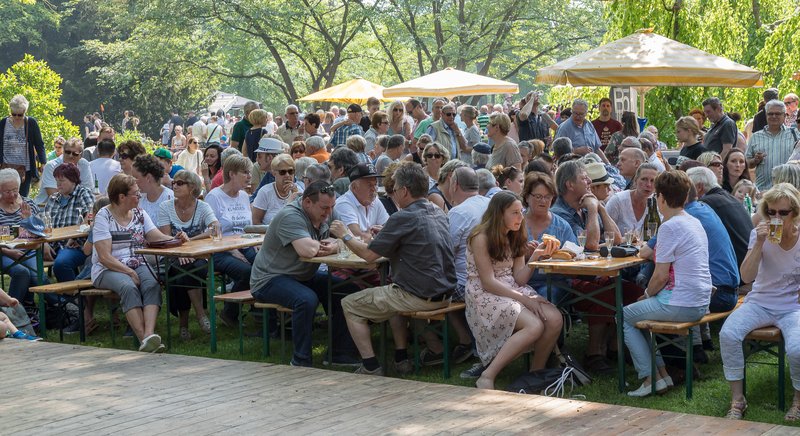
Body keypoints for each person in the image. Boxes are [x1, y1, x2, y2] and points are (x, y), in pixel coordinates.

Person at [332, 162, 456, 376]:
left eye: (395, 188)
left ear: (405, 191)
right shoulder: (436, 211)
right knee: (393, 290)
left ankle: (371, 365)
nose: (393, 192)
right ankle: (413, 355)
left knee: (349, 304)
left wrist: (344, 234)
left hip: (419, 294)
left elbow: (370, 257)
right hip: (445, 292)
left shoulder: (404, 216)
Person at [622, 170, 711, 397]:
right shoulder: (693, 221)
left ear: (661, 198)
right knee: (639, 316)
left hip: (682, 303)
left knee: (623, 316)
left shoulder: (669, 227)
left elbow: (660, 276)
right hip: (699, 301)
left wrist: (647, 294)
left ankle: (650, 378)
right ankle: (661, 375)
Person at [250, 181, 359, 367]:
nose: (329, 212)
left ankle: (338, 354)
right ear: (307, 202)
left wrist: (336, 244)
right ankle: (301, 360)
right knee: (306, 299)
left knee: (347, 291)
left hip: (301, 276)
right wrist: (335, 245)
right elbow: (307, 250)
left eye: (332, 207)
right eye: (324, 208)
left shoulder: (326, 209)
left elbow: (347, 237)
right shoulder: (290, 216)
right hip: (269, 278)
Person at [465, 191, 562, 389]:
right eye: (515, 213)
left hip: (510, 287)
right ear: (499, 214)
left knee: (554, 318)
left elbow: (519, 278)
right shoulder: (480, 237)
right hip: (484, 293)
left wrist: (535, 257)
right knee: (534, 325)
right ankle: (487, 375)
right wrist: (525, 300)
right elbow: (488, 282)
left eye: (521, 212)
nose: (520, 217)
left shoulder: (516, 234)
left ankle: (535, 374)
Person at [720, 183, 800, 421]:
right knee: (728, 334)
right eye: (771, 212)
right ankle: (738, 400)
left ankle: (797, 401)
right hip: (760, 302)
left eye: (782, 213)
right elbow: (746, 277)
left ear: (794, 213)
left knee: (797, 348)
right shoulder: (759, 235)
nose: (776, 217)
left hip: (793, 306)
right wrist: (758, 244)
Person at [92, 174, 183, 353]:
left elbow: (154, 234)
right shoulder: (104, 217)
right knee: (128, 287)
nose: (139, 196)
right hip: (107, 268)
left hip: (136, 262)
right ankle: (144, 339)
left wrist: (176, 239)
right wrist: (129, 272)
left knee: (152, 284)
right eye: (135, 193)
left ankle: (150, 335)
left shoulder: (139, 213)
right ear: (121, 197)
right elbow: (103, 256)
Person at [158, 170, 217, 340]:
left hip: (196, 255)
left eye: (180, 183)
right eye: (174, 182)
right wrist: (180, 249)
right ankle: (201, 315)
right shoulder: (166, 207)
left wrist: (189, 240)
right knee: (181, 269)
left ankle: (184, 324)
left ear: (192, 187)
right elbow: (165, 236)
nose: (174, 185)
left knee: (184, 273)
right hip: (172, 255)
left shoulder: (202, 206)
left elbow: (215, 228)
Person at [204, 154, 258, 327]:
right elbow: (212, 232)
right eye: (245, 172)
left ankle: (260, 310)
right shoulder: (214, 197)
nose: (249, 176)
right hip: (220, 249)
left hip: (244, 244)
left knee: (265, 265)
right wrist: (231, 250)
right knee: (246, 272)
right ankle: (229, 313)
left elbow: (248, 227)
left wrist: (256, 243)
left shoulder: (243, 196)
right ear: (232, 174)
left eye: (249, 172)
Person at [522, 172, 576, 299]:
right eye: (538, 196)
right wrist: (524, 255)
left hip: (552, 283)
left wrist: (554, 257)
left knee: (545, 295)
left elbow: (575, 258)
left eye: (548, 197)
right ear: (527, 197)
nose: (543, 201)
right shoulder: (517, 223)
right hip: (520, 282)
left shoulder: (561, 226)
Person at [687, 166, 754, 268]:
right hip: (748, 264)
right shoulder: (729, 197)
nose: (685, 192)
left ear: (699, 187)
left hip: (736, 268)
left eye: (688, 188)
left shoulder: (703, 205)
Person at [44, 163, 95, 283]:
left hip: (76, 245)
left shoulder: (83, 193)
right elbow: (43, 224)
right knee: (26, 264)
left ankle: (72, 298)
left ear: (73, 181)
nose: (58, 184)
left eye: (62, 180)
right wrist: (44, 244)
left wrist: (74, 236)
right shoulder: (53, 198)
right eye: (56, 180)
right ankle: (50, 300)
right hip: (52, 245)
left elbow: (91, 216)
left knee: (61, 264)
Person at [0, 169, 42, 306]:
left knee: (37, 276)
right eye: (7, 191)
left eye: (15, 190)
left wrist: (28, 221)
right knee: (22, 272)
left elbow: (40, 231)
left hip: (28, 250)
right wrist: (8, 251)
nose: (12, 194)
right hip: (3, 253)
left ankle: (61, 305)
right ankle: (13, 311)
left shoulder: (28, 204)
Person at [746, 100, 799, 191]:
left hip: (788, 190)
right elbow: (747, 163)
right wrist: (755, 160)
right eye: (770, 114)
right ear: (766, 115)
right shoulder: (755, 137)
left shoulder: (795, 134)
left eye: (777, 114)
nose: (774, 116)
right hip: (763, 190)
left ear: (784, 115)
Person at [0, 95, 46, 197]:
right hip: (5, 167)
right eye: (13, 114)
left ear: (25, 112)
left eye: (20, 115)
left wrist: (43, 162)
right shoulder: (3, 123)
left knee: (22, 198)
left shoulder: (31, 123)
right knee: (4, 197)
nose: (16, 117)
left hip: (25, 170)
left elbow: (39, 144)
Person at [333, 163, 388, 242]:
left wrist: (383, 232)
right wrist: (381, 234)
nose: (374, 189)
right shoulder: (343, 204)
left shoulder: (375, 200)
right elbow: (358, 237)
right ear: (354, 187)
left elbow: (390, 230)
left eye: (375, 184)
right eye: (369, 185)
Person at [35, 137, 94, 206]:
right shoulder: (51, 166)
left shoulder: (84, 164)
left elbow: (88, 191)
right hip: (46, 207)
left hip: (75, 207)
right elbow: (54, 196)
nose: (70, 156)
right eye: (68, 152)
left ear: (81, 155)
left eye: (75, 153)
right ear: (63, 151)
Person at [605, 163, 659, 235]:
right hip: (618, 246)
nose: (648, 184)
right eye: (644, 179)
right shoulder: (618, 200)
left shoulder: (658, 205)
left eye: (653, 181)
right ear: (636, 180)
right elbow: (605, 232)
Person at [252, 154, 301, 225]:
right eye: (282, 172)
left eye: (290, 171)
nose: (287, 175)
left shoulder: (299, 190)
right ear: (274, 173)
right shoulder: (265, 192)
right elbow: (256, 222)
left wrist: (296, 194)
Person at [555, 99, 609, 163]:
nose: (577, 117)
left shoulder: (589, 125)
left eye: (581, 114)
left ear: (586, 113)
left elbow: (596, 149)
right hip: (573, 168)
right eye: (575, 113)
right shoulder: (564, 128)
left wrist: (607, 163)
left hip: (592, 167)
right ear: (571, 111)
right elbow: (558, 153)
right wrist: (576, 151)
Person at [132, 155, 174, 223]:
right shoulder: (138, 197)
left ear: (148, 178)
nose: (133, 181)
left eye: (135, 177)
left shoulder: (170, 198)